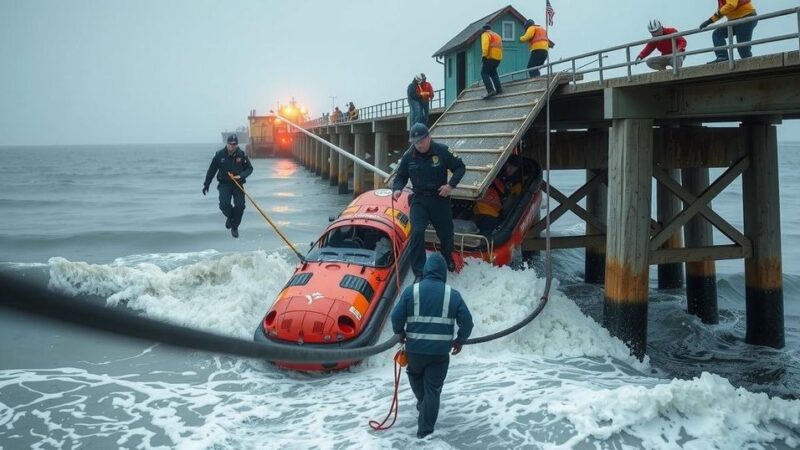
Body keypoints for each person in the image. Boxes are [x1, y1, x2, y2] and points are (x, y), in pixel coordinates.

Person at [391, 252, 473, 439]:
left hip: (415, 351)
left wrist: (401, 333)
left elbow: (396, 317)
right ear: (443, 272)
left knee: (414, 374)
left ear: (426, 270)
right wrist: (460, 340)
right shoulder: (453, 294)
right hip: (439, 355)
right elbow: (467, 323)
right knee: (433, 390)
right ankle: (425, 433)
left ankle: (424, 405)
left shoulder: (412, 291)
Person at [392, 123, 466, 280]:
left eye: (421, 141)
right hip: (419, 199)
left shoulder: (442, 151)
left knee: (446, 234)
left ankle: (447, 258)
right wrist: (397, 188)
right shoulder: (408, 156)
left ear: (429, 137)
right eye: (415, 142)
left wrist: (450, 185)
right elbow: (401, 176)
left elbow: (460, 167)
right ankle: (419, 272)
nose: (418, 145)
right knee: (417, 232)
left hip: (440, 198)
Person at [202, 134, 253, 238]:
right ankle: (230, 217)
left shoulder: (241, 154)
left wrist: (241, 175)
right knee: (224, 205)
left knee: (240, 206)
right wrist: (206, 184)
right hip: (224, 184)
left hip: (238, 184)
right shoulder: (219, 155)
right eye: (231, 144)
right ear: (227, 143)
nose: (233, 146)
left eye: (235, 144)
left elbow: (249, 168)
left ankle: (235, 226)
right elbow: (212, 170)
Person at [472, 156, 523, 238]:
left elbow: (510, 202)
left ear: (517, 169)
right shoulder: (496, 175)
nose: (509, 169)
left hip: (490, 214)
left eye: (513, 168)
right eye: (508, 166)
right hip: (484, 213)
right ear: (505, 165)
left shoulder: (516, 184)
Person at [480, 23, 503, 99]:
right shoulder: (497, 35)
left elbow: (485, 44)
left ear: (484, 29)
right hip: (498, 58)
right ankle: (499, 89)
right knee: (493, 73)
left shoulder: (485, 34)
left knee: (484, 73)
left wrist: (484, 55)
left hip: (490, 57)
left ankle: (490, 90)